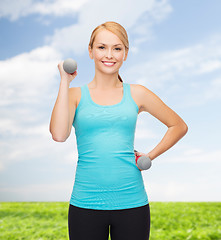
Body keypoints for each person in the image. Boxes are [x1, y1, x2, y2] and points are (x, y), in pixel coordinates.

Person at [49, 21, 188, 240]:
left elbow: (178, 125)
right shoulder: (74, 95)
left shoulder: (138, 93)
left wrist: (150, 155)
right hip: (85, 204)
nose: (109, 55)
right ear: (90, 51)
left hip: (132, 204)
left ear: (125, 53)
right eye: (102, 47)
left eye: (117, 48)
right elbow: (58, 135)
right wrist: (64, 82)